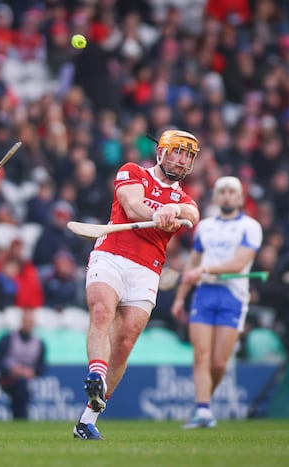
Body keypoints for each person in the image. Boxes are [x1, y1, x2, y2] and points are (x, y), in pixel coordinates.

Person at [73, 130, 201, 440]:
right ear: (162, 152)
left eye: (188, 155)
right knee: (102, 310)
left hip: (148, 269)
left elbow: (194, 214)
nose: (182, 160)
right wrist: (158, 213)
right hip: (111, 255)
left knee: (127, 339)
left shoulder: (184, 197)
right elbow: (131, 206)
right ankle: (96, 375)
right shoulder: (133, 171)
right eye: (177, 152)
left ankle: (87, 421)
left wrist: (176, 210)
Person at [171, 176, 263, 429]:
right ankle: (203, 410)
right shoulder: (205, 227)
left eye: (231, 191)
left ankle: (205, 401)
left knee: (219, 362)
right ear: (215, 196)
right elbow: (193, 263)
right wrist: (181, 296)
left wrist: (204, 270)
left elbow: (237, 263)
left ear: (240, 197)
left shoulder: (250, 227)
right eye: (221, 191)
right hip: (205, 294)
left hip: (233, 295)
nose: (225, 195)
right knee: (201, 356)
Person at [0, 309, 47, 420]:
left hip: (27, 379)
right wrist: (12, 370)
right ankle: (21, 418)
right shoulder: (7, 339)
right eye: (25, 321)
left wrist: (32, 372)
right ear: (21, 321)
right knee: (20, 387)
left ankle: (20, 418)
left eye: (30, 321)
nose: (27, 324)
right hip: (7, 378)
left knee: (22, 387)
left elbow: (41, 366)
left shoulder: (39, 343)